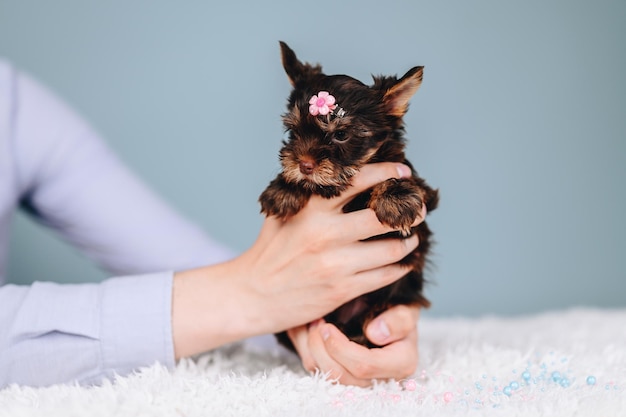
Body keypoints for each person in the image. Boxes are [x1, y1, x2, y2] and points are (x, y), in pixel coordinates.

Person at [0, 58, 426, 388]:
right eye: (298, 135)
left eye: (337, 137)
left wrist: (294, 310)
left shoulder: (17, 103)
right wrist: (252, 294)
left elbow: (177, 256)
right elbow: (241, 284)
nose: (307, 156)